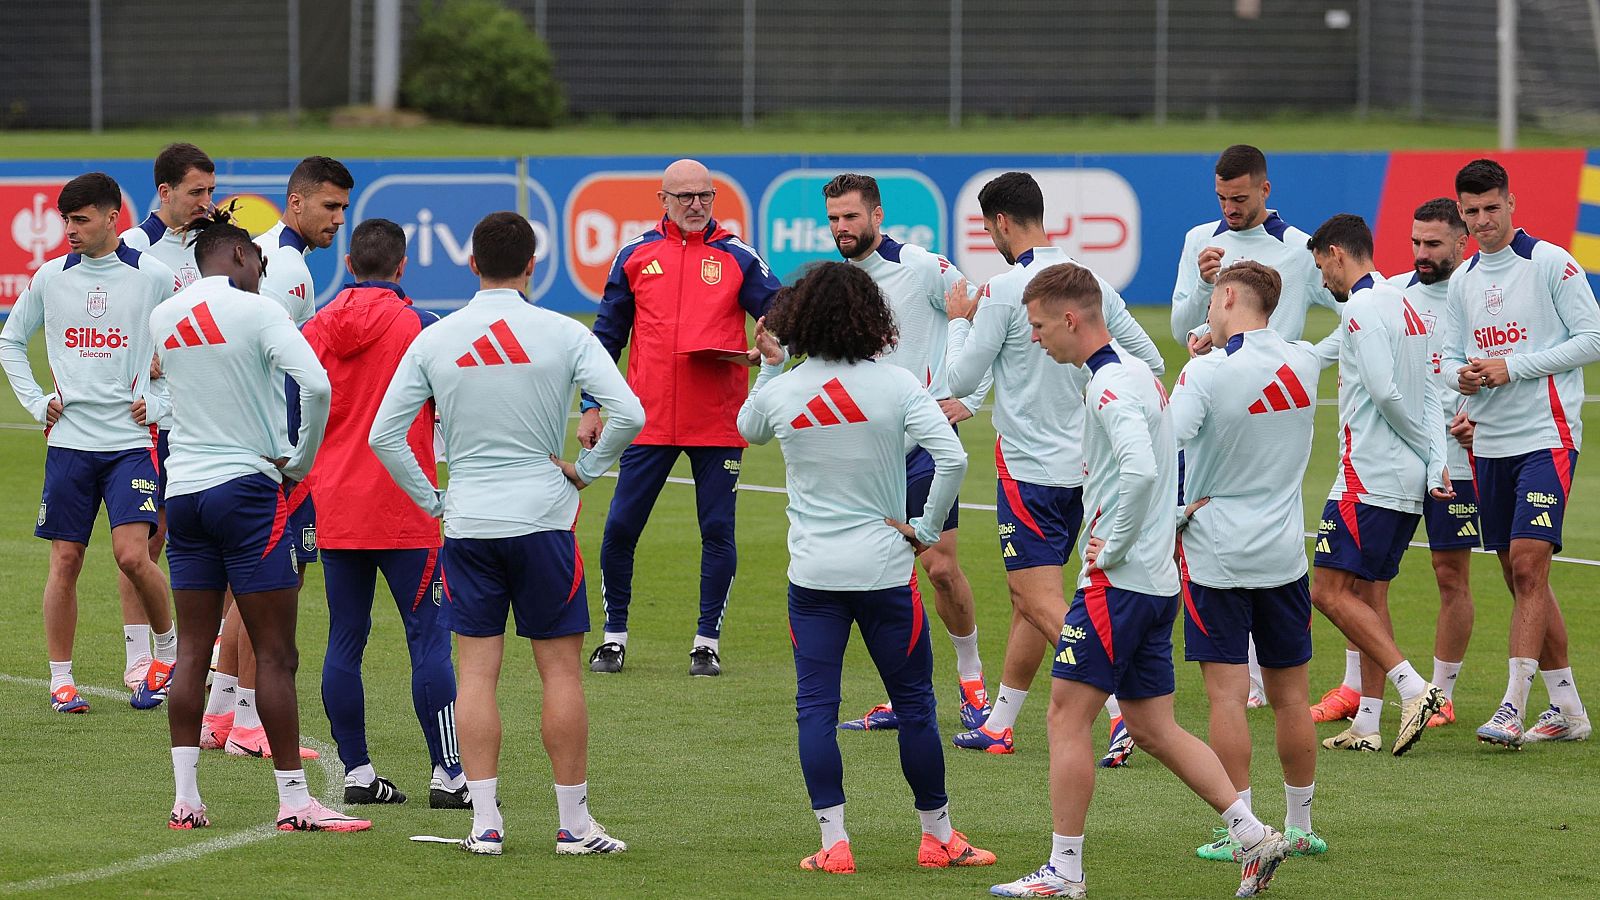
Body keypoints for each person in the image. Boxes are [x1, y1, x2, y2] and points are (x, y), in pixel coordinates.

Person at [990, 262, 1288, 900]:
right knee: (1154, 727)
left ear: (1071, 320)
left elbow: (1143, 470)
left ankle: (1064, 873)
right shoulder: (1137, 375)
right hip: (1156, 585)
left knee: (1066, 718)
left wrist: (1111, 546)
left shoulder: (1109, 388)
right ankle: (1253, 834)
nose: (1036, 340)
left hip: (1118, 585)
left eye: (1040, 327)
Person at [371, 211, 642, 856]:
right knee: (560, 672)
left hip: (469, 521)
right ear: (533, 266)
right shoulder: (561, 332)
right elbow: (628, 411)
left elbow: (385, 434)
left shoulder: (437, 337)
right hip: (544, 518)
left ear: (472, 264)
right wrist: (586, 474)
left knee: (475, 674)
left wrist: (434, 499)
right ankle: (573, 825)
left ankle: (486, 822)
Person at [736, 262, 994, 875]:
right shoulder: (898, 384)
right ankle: (938, 838)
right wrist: (926, 528)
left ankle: (834, 842)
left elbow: (747, 431)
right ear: (869, 316)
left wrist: (772, 366)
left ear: (800, 320)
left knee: (815, 707)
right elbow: (952, 457)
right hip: (884, 573)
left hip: (815, 577)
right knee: (915, 705)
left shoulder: (783, 390)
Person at [153, 214, 364, 832]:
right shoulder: (261, 308)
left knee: (193, 648)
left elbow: (150, 390)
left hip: (185, 490)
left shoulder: (166, 315)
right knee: (276, 654)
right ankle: (295, 802)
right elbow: (318, 386)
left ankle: (186, 799)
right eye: (258, 264)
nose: (262, 273)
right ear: (241, 255)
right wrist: (299, 459)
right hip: (247, 490)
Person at [942, 171, 1164, 760]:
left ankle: (1119, 713)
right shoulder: (1087, 285)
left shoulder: (1000, 290)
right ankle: (999, 723)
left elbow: (962, 380)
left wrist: (961, 321)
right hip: (1090, 471)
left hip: (1030, 470)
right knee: (1027, 602)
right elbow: (1149, 357)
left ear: (1001, 224)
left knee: (1039, 598)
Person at [581, 158, 781, 677]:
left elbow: (780, 313)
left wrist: (769, 340)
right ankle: (613, 637)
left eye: (705, 196)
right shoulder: (635, 254)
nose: (696, 206)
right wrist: (591, 405)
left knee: (717, 530)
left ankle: (706, 642)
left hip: (718, 421)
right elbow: (606, 338)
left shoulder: (737, 256)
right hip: (646, 420)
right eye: (685, 197)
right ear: (663, 200)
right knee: (621, 527)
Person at [0, 172, 179, 713]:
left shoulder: (155, 277)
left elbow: (188, 349)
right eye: (65, 221)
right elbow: (10, 339)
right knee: (66, 559)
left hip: (130, 442)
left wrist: (163, 402)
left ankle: (167, 656)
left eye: (80, 220)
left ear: (111, 217)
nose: (70, 230)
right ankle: (61, 680)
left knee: (133, 557)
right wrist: (36, 402)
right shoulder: (51, 278)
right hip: (70, 443)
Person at [1170, 143, 1341, 708]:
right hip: (1222, 381)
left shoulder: (1297, 249)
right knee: (1221, 499)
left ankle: (1261, 674)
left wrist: (1306, 355)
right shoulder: (1201, 239)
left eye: (1239, 198)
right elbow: (1179, 327)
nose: (1229, 208)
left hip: (1279, 386)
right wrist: (1201, 295)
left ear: (1265, 190)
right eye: (1221, 198)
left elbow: (1357, 305)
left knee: (1255, 497)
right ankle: (1248, 674)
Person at [302, 218, 465, 807]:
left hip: (337, 503)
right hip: (405, 504)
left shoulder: (316, 328)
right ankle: (448, 775)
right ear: (401, 269)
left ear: (348, 266)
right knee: (429, 641)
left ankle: (357, 772)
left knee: (344, 639)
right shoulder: (421, 327)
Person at [821, 173, 993, 733]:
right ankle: (905, 693)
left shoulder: (922, 267)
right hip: (864, 452)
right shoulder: (840, 282)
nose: (841, 228)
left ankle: (972, 683)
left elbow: (982, 317)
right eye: (833, 219)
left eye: (850, 217)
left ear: (876, 216)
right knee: (883, 577)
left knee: (939, 567)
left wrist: (970, 397)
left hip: (923, 446)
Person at [1169, 262, 1325, 864]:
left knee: (1228, 699)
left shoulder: (1206, 373)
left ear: (1228, 295)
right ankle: (1300, 823)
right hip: (1284, 550)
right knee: (1292, 695)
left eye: (1213, 298)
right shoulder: (1304, 363)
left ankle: (1240, 829)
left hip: (1218, 552)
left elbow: (1168, 442)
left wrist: (1178, 513)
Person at [1442, 158, 1600, 746]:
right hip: (1489, 443)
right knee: (1518, 574)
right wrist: (1462, 388)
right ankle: (1568, 709)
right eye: (1472, 211)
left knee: (1531, 563)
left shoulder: (1552, 264)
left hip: (1547, 434)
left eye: (1491, 208)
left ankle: (1511, 706)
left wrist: (1513, 367)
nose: (1483, 220)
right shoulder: (1462, 280)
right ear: (1461, 213)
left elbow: (1594, 337)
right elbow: (1454, 356)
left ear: (1512, 203)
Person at [1312, 199, 1479, 729]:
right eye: (1417, 243)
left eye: (1322, 269)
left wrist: (1431, 452)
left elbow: (1386, 392)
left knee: (1330, 590)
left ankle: (1419, 689)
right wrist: (1431, 457)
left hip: (1375, 473)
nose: (1323, 282)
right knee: (1366, 590)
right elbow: (1432, 388)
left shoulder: (1365, 305)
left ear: (1337, 256)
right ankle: (1367, 720)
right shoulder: (1401, 299)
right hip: (1412, 472)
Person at [207, 155, 352, 759]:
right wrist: (298, 453)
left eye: (344, 208)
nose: (337, 220)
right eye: (328, 206)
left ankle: (218, 714)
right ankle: (247, 720)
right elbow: (292, 372)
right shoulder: (289, 270)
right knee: (269, 585)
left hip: (231, 440)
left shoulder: (258, 253)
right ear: (295, 203)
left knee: (244, 587)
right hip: (274, 453)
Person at [117, 142, 214, 693]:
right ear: (165, 191)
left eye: (210, 190)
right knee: (146, 541)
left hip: (209, 415)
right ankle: (139, 656)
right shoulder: (131, 247)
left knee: (204, 538)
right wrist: (142, 353)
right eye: (196, 191)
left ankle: (211, 654)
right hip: (153, 417)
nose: (206, 200)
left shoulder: (217, 246)